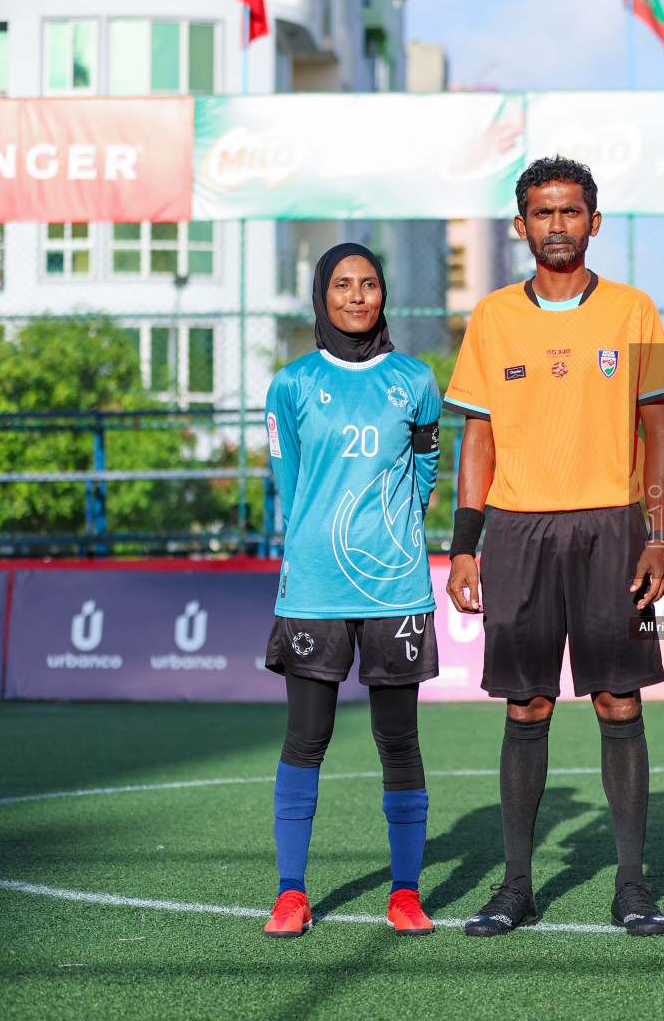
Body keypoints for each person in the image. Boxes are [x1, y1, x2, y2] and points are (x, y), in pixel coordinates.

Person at [443, 157, 664, 938]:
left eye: (570, 212)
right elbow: (476, 438)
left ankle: (634, 886)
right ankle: (517, 885)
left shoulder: (632, 310)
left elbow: (658, 431)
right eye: (542, 213)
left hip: (612, 525)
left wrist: (658, 535)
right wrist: (466, 546)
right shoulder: (492, 317)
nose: (557, 225)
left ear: (594, 222)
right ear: (520, 227)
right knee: (527, 702)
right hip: (516, 529)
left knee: (619, 698)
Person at [261, 243, 442, 938]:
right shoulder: (292, 385)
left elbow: (426, 466)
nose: (358, 296)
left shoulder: (416, 380)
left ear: (383, 295)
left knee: (398, 739)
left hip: (395, 585)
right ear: (322, 295)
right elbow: (291, 480)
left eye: (369, 284)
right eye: (343, 285)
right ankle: (290, 893)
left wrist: (394, 524)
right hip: (313, 585)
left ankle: (404, 893)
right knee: (306, 737)